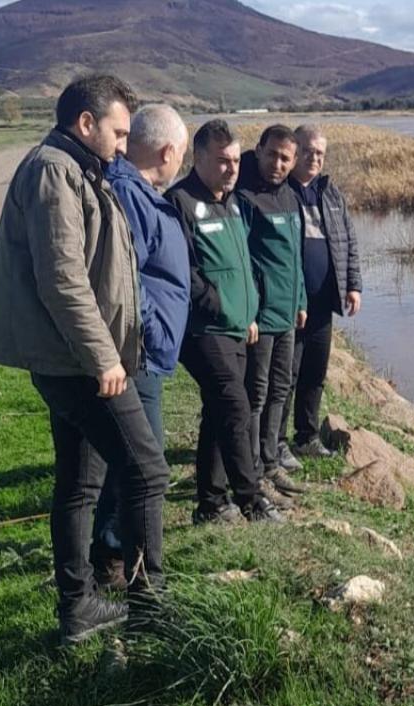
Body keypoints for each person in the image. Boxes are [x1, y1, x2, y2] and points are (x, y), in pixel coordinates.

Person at [0, 75, 169, 644]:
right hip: (82, 365)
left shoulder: (81, 169)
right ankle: (151, 605)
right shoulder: (54, 170)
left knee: (81, 485)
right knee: (147, 471)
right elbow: (63, 278)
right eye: (117, 132)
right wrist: (104, 358)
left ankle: (79, 606)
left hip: (78, 361)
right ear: (85, 124)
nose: (122, 144)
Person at [89, 104, 190, 590]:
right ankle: (127, 572)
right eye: (182, 155)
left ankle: (112, 553)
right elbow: (127, 279)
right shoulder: (130, 193)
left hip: (143, 350)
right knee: (144, 464)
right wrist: (151, 333)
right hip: (138, 352)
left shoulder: (142, 191)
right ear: (169, 151)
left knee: (130, 458)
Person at [167, 119, 282, 525]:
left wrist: (249, 310)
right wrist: (221, 306)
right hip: (203, 329)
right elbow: (184, 273)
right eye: (222, 161)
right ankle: (251, 499)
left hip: (237, 326)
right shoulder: (179, 202)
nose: (232, 168)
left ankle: (210, 503)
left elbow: (242, 262)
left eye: (235, 160)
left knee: (218, 412)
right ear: (197, 158)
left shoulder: (232, 202)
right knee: (235, 406)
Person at [276, 124, 363, 469]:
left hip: (323, 302)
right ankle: (276, 442)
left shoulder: (331, 193)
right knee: (286, 375)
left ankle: (307, 436)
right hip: (289, 303)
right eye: (309, 151)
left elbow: (349, 243)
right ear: (295, 151)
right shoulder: (280, 192)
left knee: (314, 373)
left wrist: (353, 286)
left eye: (320, 154)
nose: (314, 159)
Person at [233, 125, 307, 498]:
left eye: (285, 158)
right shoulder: (245, 197)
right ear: (259, 150)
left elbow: (294, 257)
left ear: (293, 162)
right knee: (256, 394)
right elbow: (241, 261)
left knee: (280, 388)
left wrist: (302, 301)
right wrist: (248, 312)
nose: (277, 163)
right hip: (260, 318)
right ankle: (252, 469)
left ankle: (271, 462)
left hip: (287, 314)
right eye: (272, 154)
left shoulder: (291, 196)